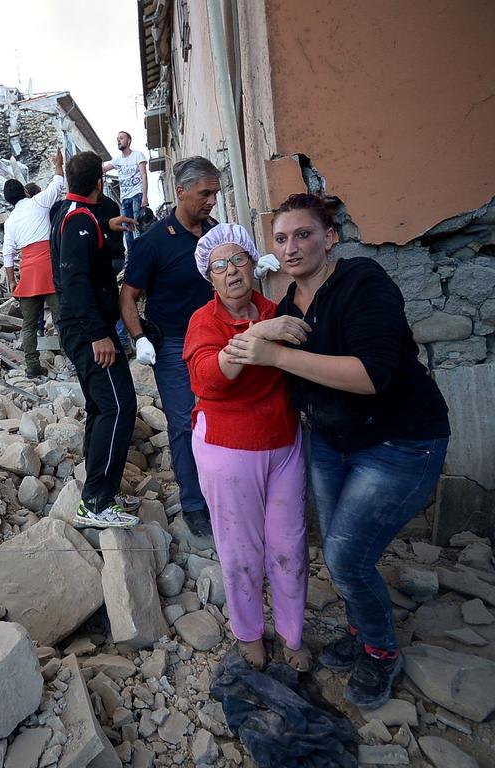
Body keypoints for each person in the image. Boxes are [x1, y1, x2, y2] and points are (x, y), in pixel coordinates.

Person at [225, 193, 451, 709]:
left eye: (303, 234)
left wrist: (275, 354)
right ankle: (360, 626)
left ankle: (381, 651)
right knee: (341, 547)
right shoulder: (286, 310)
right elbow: (242, 366)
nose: (291, 246)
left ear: (331, 238)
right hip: (331, 441)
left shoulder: (363, 282)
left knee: (346, 557)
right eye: (280, 239)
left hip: (400, 441)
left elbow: (372, 375)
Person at [183, 223, 311, 672]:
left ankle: (292, 633)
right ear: (210, 277)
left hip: (283, 442)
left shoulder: (275, 310)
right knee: (240, 549)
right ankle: (248, 632)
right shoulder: (205, 321)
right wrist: (260, 334)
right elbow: (209, 380)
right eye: (220, 266)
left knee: (289, 546)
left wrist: (270, 326)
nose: (231, 271)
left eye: (238, 260)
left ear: (254, 264)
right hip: (228, 446)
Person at [120, 156, 221, 537]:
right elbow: (128, 297)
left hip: (218, 341)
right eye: (204, 193)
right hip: (175, 347)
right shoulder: (153, 242)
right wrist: (139, 337)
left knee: (222, 418)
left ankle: (224, 492)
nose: (211, 200)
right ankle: (195, 503)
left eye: (214, 193)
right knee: (184, 424)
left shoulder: (216, 234)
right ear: (181, 192)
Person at [50, 151, 139, 529]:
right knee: (119, 406)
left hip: (81, 326)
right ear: (99, 184)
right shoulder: (77, 222)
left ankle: (101, 489)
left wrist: (108, 223)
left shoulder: (68, 211)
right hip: (88, 329)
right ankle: (96, 502)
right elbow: (75, 280)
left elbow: (86, 225)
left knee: (102, 406)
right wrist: (99, 333)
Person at [3, 150, 64, 379]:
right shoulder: (39, 202)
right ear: (24, 191)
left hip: (28, 273)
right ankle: (74, 362)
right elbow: (58, 183)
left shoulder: (10, 222)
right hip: (48, 268)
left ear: (7, 200)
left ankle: (31, 366)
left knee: (28, 325)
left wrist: (12, 281)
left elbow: (7, 254)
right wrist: (58, 164)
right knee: (61, 319)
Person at [103, 131, 148, 253]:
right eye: (117, 139)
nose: (119, 140)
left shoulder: (138, 155)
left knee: (137, 224)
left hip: (137, 194)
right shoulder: (117, 160)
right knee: (126, 228)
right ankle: (132, 254)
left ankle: (142, 253)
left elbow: (144, 175)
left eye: (121, 138)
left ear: (129, 141)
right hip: (124, 198)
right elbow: (104, 169)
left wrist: (145, 196)